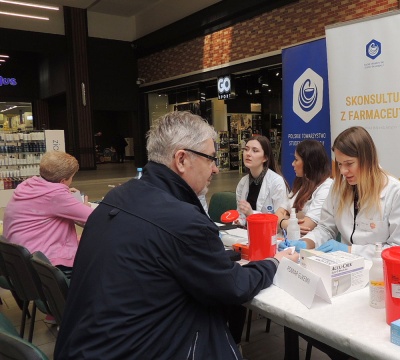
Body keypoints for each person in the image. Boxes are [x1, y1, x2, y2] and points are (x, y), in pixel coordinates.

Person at [54, 111, 299, 359]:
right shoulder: (184, 221)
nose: (215, 169)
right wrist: (274, 263)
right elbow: (233, 287)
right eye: (211, 159)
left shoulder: (117, 198)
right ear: (181, 159)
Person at [279, 126, 400, 260]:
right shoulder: (338, 187)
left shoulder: (396, 193)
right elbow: (326, 228)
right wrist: (306, 243)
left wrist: (350, 250)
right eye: (339, 164)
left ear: (368, 159)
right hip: (343, 267)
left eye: (349, 164)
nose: (343, 171)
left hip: (380, 271)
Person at [4, 151, 93, 275]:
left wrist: (65, 195)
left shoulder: (28, 185)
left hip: (20, 259)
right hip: (44, 264)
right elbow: (93, 218)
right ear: (63, 181)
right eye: (72, 177)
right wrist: (85, 205)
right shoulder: (56, 196)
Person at [275, 139, 333, 236]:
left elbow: (306, 226)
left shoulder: (326, 187)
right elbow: (277, 215)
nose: (293, 164)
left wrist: (286, 218)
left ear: (309, 162)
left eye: (296, 159)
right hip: (287, 240)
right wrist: (287, 223)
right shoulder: (301, 182)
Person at [234, 134, 288, 226]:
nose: (248, 154)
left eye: (255, 151)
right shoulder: (243, 182)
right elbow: (241, 213)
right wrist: (238, 220)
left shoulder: (276, 182)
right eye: (246, 149)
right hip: (247, 233)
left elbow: (278, 219)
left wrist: (252, 214)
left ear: (265, 158)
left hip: (269, 234)